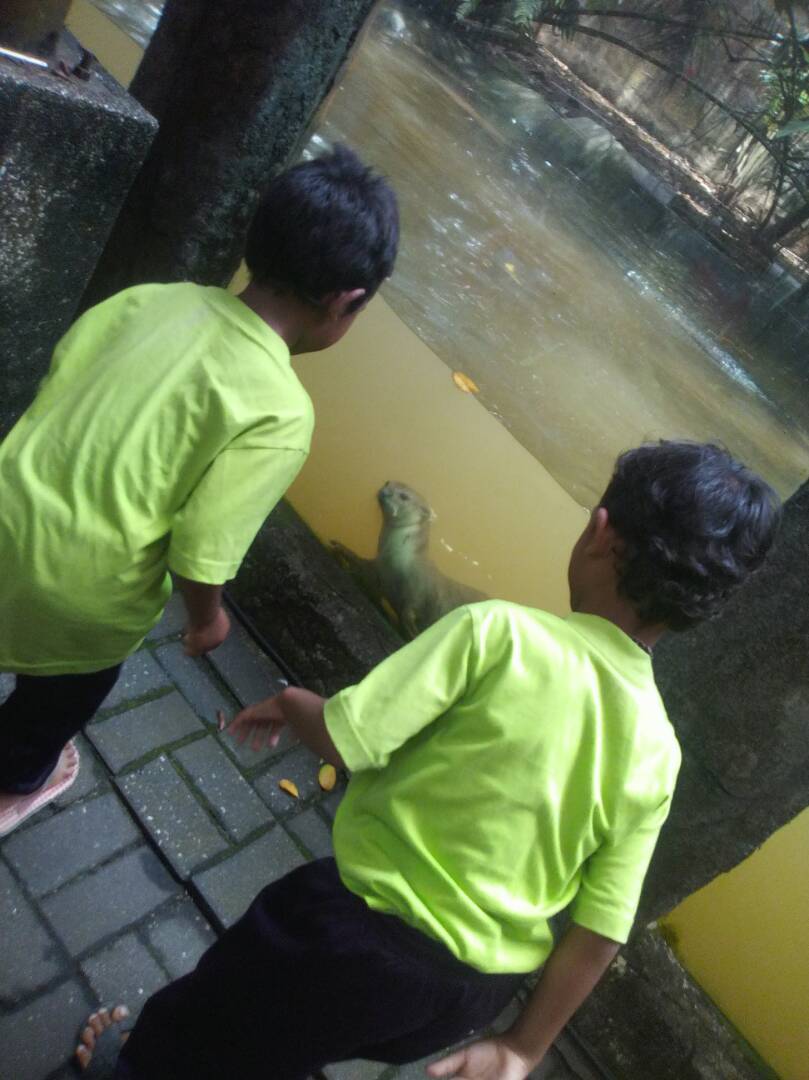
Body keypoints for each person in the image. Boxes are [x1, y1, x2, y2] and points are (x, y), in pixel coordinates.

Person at [74, 440, 781, 1079]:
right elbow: (600, 930)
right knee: (289, 1037)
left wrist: (293, 703)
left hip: (351, 937)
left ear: (597, 532)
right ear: (702, 607)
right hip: (465, 995)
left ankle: (131, 1064)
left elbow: (348, 738)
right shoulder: (659, 752)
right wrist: (522, 1047)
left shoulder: (495, 632)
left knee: (215, 1009)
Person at [0, 145, 399, 838]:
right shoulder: (278, 411)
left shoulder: (152, 300)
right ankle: (17, 779)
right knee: (58, 701)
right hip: (81, 605)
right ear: (346, 302)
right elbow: (201, 551)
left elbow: (59, 380)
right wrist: (207, 619)